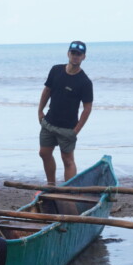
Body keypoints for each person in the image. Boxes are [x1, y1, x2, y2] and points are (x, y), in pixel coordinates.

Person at [38, 41, 93, 184]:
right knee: (44, 153)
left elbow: (87, 108)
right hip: (49, 122)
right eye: (73, 53)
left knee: (67, 160)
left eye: (78, 54)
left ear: (83, 57)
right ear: (68, 53)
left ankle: (69, 192)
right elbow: (47, 91)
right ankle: (51, 185)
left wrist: (76, 130)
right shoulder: (56, 70)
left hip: (68, 128)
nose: (75, 56)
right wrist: (40, 111)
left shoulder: (85, 82)